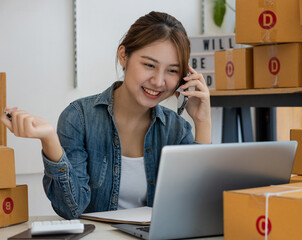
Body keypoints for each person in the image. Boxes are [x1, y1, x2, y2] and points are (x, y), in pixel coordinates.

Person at [0, 11, 211, 219]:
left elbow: (194, 209)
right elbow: (71, 209)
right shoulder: (78, 118)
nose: (158, 81)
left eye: (172, 71)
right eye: (149, 65)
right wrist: (49, 140)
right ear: (123, 56)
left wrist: (202, 122)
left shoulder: (176, 129)